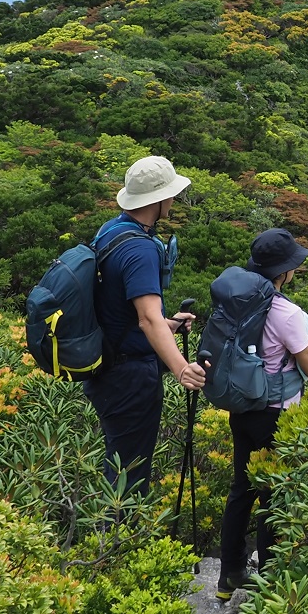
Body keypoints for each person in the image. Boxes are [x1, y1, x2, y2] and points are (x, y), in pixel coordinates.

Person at [214, 226, 308, 601]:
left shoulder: (238, 302)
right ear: (283, 272)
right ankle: (271, 583)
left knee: (241, 489)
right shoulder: (289, 314)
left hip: (243, 407)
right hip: (276, 415)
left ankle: (229, 575)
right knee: (274, 495)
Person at [85, 154, 206, 496]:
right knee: (129, 473)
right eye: (171, 194)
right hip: (129, 376)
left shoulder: (112, 230)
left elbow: (124, 308)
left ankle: (111, 527)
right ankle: (117, 531)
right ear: (159, 199)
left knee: (120, 462)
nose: (174, 199)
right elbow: (147, 318)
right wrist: (182, 369)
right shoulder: (141, 249)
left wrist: (168, 324)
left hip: (107, 367)